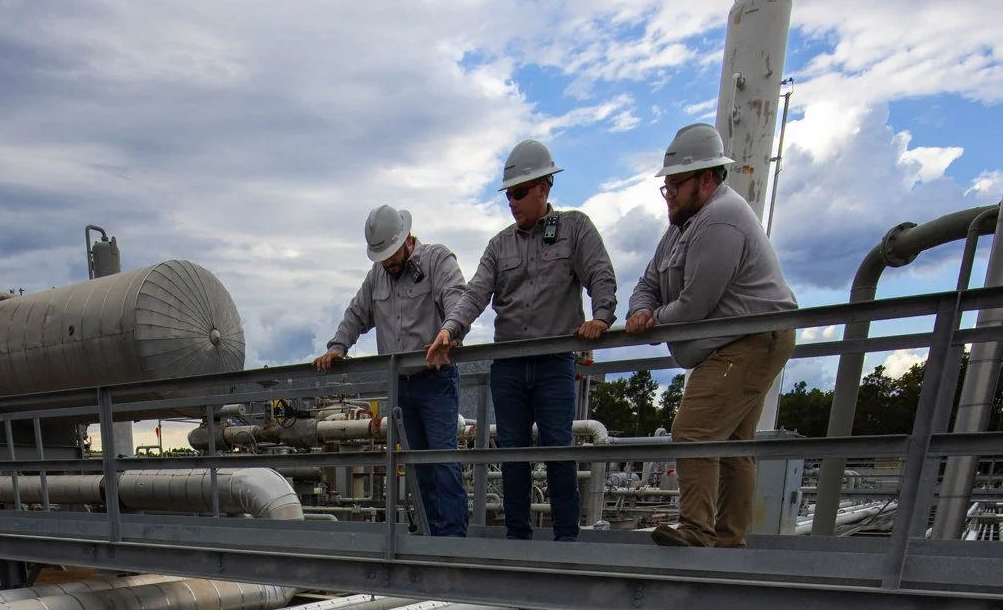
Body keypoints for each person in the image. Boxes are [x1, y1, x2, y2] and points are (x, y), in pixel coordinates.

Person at [425, 139, 615, 541]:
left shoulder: (575, 230)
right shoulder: (500, 246)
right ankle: (518, 538)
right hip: (509, 365)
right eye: (508, 195)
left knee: (557, 451)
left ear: (544, 188)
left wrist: (601, 317)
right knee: (512, 455)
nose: (511, 202)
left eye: (518, 193)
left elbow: (600, 273)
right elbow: (475, 293)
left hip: (553, 362)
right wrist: (449, 329)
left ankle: (565, 541)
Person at [625, 122, 797, 548]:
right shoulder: (683, 226)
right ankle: (728, 540)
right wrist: (640, 309)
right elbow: (647, 281)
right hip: (743, 339)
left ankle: (699, 532)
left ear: (706, 178)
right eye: (666, 188)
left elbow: (694, 307)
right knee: (734, 442)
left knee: (694, 431)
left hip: (750, 339)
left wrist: (652, 321)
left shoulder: (721, 220)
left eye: (676, 186)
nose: (670, 196)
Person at [317, 205, 469, 536]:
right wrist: (337, 346)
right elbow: (357, 313)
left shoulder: (436, 261)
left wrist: (449, 331)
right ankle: (429, 537)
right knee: (416, 468)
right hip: (401, 385)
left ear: (406, 239)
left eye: (389, 254)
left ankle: (453, 540)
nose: (386, 262)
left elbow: (458, 299)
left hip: (435, 379)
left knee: (442, 462)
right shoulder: (378, 277)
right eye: (380, 256)